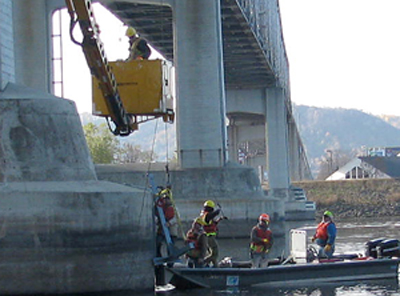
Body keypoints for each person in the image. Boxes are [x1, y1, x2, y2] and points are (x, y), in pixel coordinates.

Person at [198, 200, 227, 267]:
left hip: (208, 238)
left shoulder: (205, 215)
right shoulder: (207, 215)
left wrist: (220, 219)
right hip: (209, 237)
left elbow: (213, 223)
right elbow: (213, 214)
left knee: (213, 255)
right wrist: (219, 209)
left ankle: (216, 269)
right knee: (215, 254)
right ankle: (203, 262)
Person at [155, 188, 177, 258]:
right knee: (158, 243)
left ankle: (171, 260)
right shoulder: (161, 208)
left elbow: (176, 218)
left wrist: (169, 223)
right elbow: (156, 216)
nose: (166, 200)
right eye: (165, 199)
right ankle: (159, 256)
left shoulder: (173, 208)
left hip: (171, 231)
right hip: (161, 230)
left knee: (170, 246)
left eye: (167, 199)